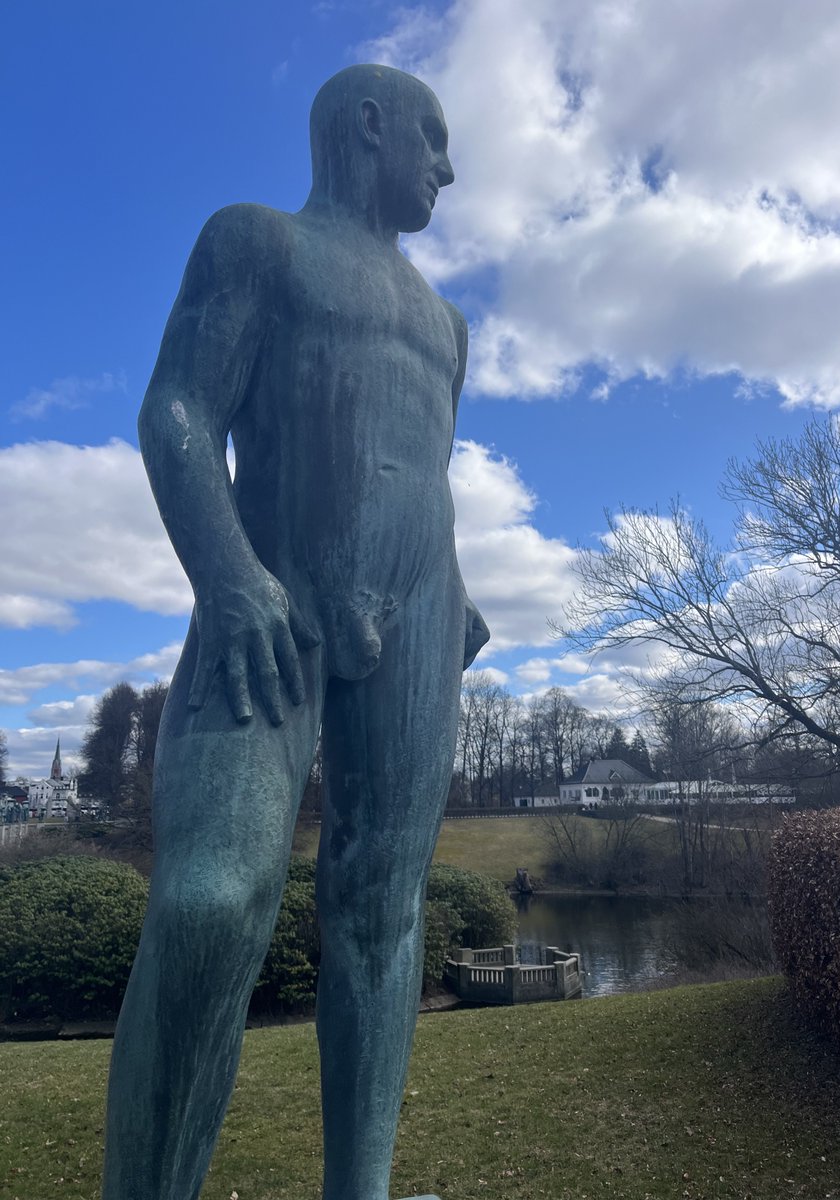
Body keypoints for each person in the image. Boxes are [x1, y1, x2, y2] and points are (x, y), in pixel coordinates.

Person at [102, 64, 488, 1200]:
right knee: (211, 900)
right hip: (267, 603)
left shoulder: (448, 324)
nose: (447, 167)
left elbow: (414, 463)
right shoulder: (257, 244)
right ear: (371, 126)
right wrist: (226, 577)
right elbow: (176, 412)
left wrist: (449, 594)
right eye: (435, 137)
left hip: (422, 613)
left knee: (381, 910)